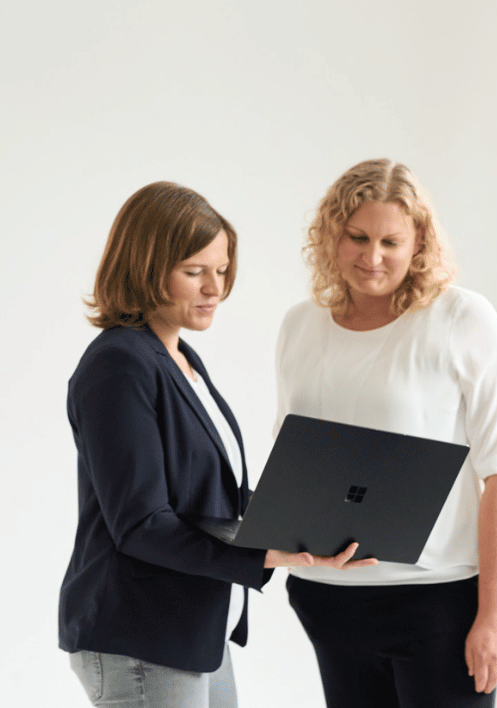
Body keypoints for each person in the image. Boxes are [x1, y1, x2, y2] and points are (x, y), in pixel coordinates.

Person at [60, 181, 375, 708]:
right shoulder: (119, 365)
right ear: (143, 267)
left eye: (222, 270)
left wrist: (306, 526)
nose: (215, 288)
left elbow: (206, 498)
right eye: (194, 272)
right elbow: (140, 525)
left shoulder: (180, 359)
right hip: (142, 636)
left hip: (196, 630)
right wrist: (268, 555)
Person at [277, 159, 497, 708]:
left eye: (391, 241)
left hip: (436, 602)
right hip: (326, 598)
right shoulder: (301, 325)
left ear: (419, 244)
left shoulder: (464, 319)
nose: (372, 257)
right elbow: (293, 461)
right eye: (357, 237)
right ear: (331, 237)